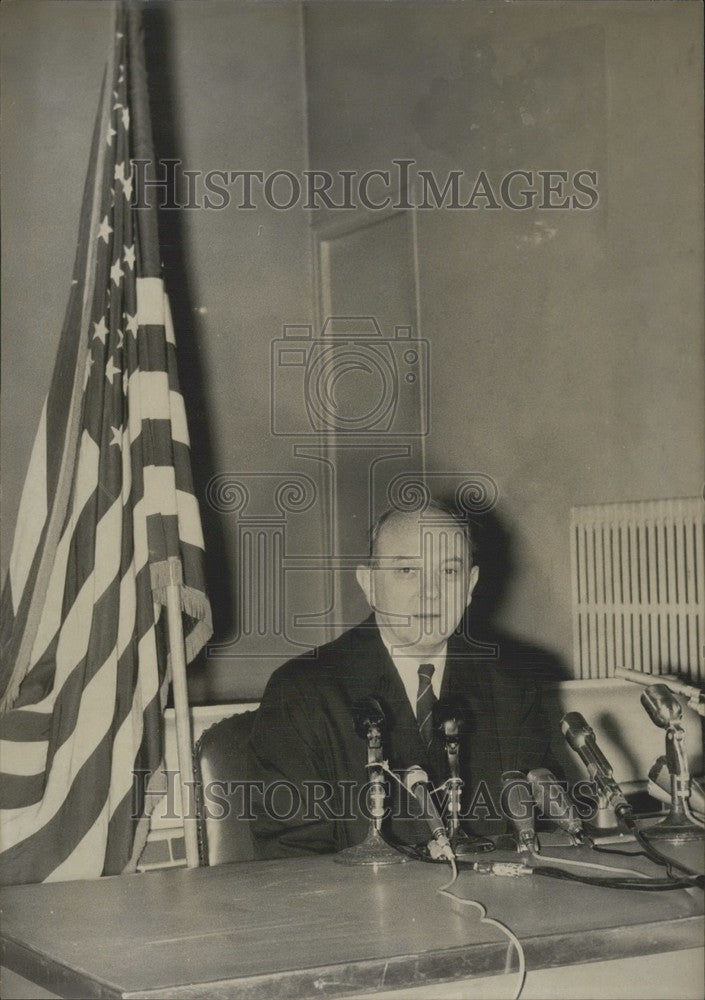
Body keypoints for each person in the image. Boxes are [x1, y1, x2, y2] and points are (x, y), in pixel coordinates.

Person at [247, 501, 554, 858]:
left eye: (449, 572)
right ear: (370, 584)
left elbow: (542, 834)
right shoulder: (301, 693)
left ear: (470, 584)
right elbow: (293, 862)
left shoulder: (512, 688)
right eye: (408, 570)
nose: (431, 592)